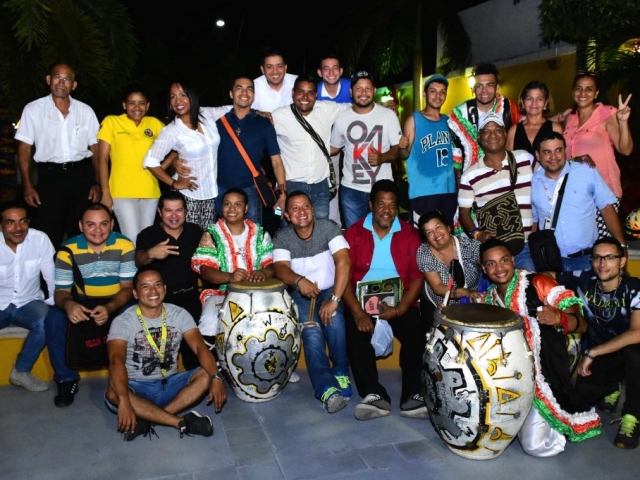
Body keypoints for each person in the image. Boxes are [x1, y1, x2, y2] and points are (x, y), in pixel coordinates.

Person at [480, 238, 601, 457]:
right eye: (491, 263)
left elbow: (582, 324)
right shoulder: (489, 298)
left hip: (544, 375)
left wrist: (559, 318)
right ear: (483, 268)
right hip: (510, 380)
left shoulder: (538, 283)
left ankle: (556, 423)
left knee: (535, 446)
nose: (499, 268)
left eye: (504, 260)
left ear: (513, 260)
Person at [104, 268, 226, 441]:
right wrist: (124, 400)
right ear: (135, 293)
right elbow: (116, 361)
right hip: (137, 389)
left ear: (165, 289)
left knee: (206, 373)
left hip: (169, 385)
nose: (153, 291)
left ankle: (149, 420)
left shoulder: (179, 314)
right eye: (145, 287)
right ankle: (179, 422)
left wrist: (216, 377)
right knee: (113, 393)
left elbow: (200, 348)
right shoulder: (123, 321)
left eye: (158, 285)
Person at [343, 180, 427, 420]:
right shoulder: (355, 232)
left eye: (392, 205)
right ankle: (373, 394)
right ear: (371, 205)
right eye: (381, 204)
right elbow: (344, 278)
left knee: (415, 331)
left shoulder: (410, 234)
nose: (387, 210)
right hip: (362, 303)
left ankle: (412, 395)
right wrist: (359, 313)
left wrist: (399, 310)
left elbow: (416, 278)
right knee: (354, 329)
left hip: (398, 304)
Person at [45, 203, 135, 407]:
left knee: (133, 312)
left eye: (104, 223)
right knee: (54, 319)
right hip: (82, 300)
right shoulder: (67, 250)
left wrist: (110, 307)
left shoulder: (125, 245)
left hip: (116, 299)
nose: (98, 230)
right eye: (91, 224)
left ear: (112, 224)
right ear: (80, 225)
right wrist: (69, 306)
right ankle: (66, 379)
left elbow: (128, 288)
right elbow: (61, 293)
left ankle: (131, 376)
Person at [556, 237, 640, 449]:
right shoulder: (583, 280)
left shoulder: (634, 288)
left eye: (610, 257)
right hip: (604, 358)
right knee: (581, 396)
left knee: (635, 355)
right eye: (597, 258)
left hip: (628, 352)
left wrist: (592, 352)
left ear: (622, 261)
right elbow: (549, 276)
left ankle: (632, 415)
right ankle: (611, 387)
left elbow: (637, 333)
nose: (603, 264)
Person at [273, 191, 352, 413]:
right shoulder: (283, 237)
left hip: (330, 290)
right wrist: (299, 281)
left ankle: (341, 371)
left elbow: (344, 262)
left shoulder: (328, 227)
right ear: (287, 215)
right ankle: (326, 389)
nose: (301, 212)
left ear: (312, 209)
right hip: (302, 294)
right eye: (295, 208)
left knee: (334, 321)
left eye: (306, 206)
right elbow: (280, 269)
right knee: (312, 332)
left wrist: (335, 299)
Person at [15, 63, 101, 248]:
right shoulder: (33, 109)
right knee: (49, 230)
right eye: (57, 77)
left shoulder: (85, 111)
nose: (61, 82)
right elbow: (24, 148)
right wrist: (27, 186)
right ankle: (51, 276)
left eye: (67, 79)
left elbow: (96, 149)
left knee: (81, 230)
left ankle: (79, 274)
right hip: (50, 178)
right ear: (48, 80)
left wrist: (97, 183)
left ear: (74, 85)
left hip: (81, 176)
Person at [191, 188, 274, 352]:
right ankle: (215, 370)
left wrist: (262, 273)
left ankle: (272, 369)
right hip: (222, 293)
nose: (232, 209)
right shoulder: (211, 234)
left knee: (273, 321)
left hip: (257, 294)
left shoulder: (260, 233)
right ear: (222, 207)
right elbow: (205, 270)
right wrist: (230, 276)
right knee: (209, 322)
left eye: (238, 204)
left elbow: (271, 266)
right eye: (227, 204)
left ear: (246, 208)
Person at [531, 132, 626, 272]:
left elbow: (606, 207)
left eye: (558, 150)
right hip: (553, 263)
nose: (553, 157)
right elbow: (533, 223)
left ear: (565, 151)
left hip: (588, 260)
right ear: (538, 155)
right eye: (547, 152)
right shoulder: (533, 182)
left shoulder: (585, 171)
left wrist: (622, 246)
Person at [143, 81, 230, 230]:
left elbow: (232, 109)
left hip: (210, 194)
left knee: (205, 243)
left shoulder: (205, 114)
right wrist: (174, 183)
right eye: (173, 97)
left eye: (183, 95)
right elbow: (150, 161)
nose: (178, 101)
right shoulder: (171, 131)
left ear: (192, 97)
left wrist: (258, 112)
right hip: (188, 195)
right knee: (188, 243)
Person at [458, 112, 536, 271]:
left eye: (497, 130)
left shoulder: (525, 158)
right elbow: (464, 213)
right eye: (486, 131)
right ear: (480, 137)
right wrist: (477, 235)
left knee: (530, 292)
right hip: (496, 252)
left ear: (505, 134)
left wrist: (576, 160)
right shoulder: (470, 175)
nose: (492, 135)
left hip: (528, 246)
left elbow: (549, 176)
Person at [135, 191, 203, 370]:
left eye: (179, 210)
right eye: (168, 211)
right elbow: (138, 260)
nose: (174, 216)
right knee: (161, 359)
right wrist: (151, 254)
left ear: (186, 212)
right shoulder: (148, 235)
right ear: (159, 212)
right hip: (161, 302)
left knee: (194, 357)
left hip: (191, 298)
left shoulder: (195, 232)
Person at [561, 72, 633, 238]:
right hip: (577, 194)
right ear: (572, 92)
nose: (583, 93)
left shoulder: (607, 113)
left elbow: (626, 149)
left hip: (604, 192)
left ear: (596, 93)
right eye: (578, 89)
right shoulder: (568, 118)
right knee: (584, 247)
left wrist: (622, 122)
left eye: (589, 89)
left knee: (605, 247)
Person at [272, 75, 350, 220]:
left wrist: (383, 107)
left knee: (320, 229)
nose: (305, 97)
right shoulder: (279, 116)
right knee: (291, 230)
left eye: (310, 93)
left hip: (321, 186)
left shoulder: (326, 109)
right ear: (293, 93)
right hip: (292, 185)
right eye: (300, 92)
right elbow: (258, 126)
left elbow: (354, 108)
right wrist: (257, 113)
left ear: (316, 95)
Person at [331, 71, 403, 227]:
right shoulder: (342, 118)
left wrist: (383, 157)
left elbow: (399, 148)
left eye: (368, 88)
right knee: (356, 239)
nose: (363, 93)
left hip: (382, 189)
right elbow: (333, 148)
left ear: (374, 91)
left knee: (384, 235)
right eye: (359, 88)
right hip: (351, 190)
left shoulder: (388, 115)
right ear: (351, 92)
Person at [97, 84, 167, 243]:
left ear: (148, 105)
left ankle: (145, 269)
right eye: (132, 103)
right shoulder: (111, 122)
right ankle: (132, 269)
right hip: (122, 192)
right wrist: (105, 192)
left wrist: (164, 167)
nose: (137, 107)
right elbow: (102, 159)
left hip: (150, 191)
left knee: (147, 240)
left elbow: (176, 144)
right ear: (124, 105)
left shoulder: (154, 123)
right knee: (132, 239)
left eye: (141, 103)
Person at [216, 76, 287, 224]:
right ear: (231, 93)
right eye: (239, 88)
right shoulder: (218, 123)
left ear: (253, 95)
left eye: (249, 89)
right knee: (223, 238)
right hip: (221, 189)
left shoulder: (264, 124)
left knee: (253, 237)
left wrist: (282, 194)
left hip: (251, 190)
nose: (244, 92)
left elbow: (276, 161)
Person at [0, 201, 55, 392]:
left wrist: (56, 305)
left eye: (23, 221)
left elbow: (51, 277)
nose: (18, 228)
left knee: (48, 321)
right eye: (10, 222)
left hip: (29, 302)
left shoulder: (39, 240)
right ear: (1, 225)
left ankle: (21, 371)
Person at [398, 74, 457, 227]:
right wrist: (403, 147)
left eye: (442, 91)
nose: (438, 95)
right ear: (425, 94)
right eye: (433, 91)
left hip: (448, 191)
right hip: (422, 191)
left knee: (446, 236)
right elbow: (405, 155)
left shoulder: (449, 122)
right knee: (422, 238)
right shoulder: (414, 119)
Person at [448, 62, 522, 172]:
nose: (484, 90)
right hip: (471, 178)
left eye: (489, 85)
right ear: (473, 88)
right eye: (479, 86)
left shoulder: (510, 108)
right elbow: (454, 150)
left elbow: (530, 126)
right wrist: (460, 182)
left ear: (497, 87)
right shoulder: (460, 113)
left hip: (504, 175)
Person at [416, 209, 482, 330]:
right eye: (429, 232)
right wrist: (465, 293)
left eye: (438, 227)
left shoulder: (468, 246)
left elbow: (488, 263)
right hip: (437, 304)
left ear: (448, 228)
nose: (436, 234)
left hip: (471, 304)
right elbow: (437, 287)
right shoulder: (424, 252)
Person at [316, 53, 352, 225]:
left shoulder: (352, 87)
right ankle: (333, 225)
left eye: (335, 68)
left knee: (357, 180)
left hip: (352, 140)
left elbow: (366, 103)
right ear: (319, 72)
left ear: (341, 71)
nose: (331, 72)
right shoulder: (312, 92)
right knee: (331, 183)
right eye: (326, 68)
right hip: (328, 143)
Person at [506, 80, 563, 155]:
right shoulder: (513, 131)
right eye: (529, 98)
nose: (534, 103)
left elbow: (561, 158)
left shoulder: (555, 128)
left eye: (539, 99)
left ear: (545, 103)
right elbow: (508, 162)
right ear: (522, 102)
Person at [252, 48, 298, 112]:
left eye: (279, 66)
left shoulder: (297, 83)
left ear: (285, 68)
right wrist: (256, 113)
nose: (275, 71)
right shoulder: (253, 87)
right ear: (262, 70)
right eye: (269, 67)